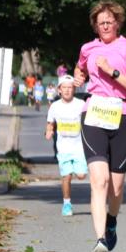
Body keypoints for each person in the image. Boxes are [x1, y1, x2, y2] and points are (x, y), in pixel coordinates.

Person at [73, 0, 126, 252]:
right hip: (94, 113)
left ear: (117, 23)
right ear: (95, 25)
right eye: (100, 22)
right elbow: (79, 68)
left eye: (109, 21)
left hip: (123, 115)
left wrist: (111, 71)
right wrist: (79, 77)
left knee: (116, 187)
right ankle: (101, 241)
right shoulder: (88, 48)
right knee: (99, 180)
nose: (105, 25)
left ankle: (112, 220)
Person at [45, 75, 88, 216]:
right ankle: (67, 204)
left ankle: (77, 167)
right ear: (59, 90)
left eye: (70, 87)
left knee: (81, 175)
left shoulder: (81, 104)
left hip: (79, 147)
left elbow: (89, 120)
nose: (67, 90)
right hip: (63, 147)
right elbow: (50, 123)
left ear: (74, 89)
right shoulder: (55, 107)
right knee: (66, 177)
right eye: (64, 88)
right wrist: (49, 131)